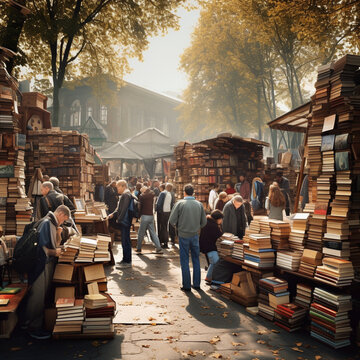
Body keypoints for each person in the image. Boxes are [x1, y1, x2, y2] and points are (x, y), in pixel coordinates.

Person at [24, 205, 71, 340]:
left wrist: (58, 233)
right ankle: (33, 327)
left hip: (44, 264)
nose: (62, 222)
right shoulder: (46, 223)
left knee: (41, 295)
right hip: (40, 265)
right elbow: (42, 249)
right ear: (60, 214)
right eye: (63, 220)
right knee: (37, 296)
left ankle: (32, 324)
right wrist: (54, 252)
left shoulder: (51, 223)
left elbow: (53, 244)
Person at [169, 184, 207, 292]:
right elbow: (204, 222)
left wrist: (179, 226)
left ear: (184, 192)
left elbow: (172, 220)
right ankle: (197, 284)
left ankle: (186, 285)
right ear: (193, 192)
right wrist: (196, 227)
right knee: (196, 259)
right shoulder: (199, 204)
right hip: (195, 235)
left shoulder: (180, 203)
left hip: (183, 235)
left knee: (184, 260)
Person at [109, 180, 135, 269]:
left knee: (125, 241)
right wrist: (113, 214)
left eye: (118, 187)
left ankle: (127, 261)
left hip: (125, 221)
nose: (117, 189)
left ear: (123, 186)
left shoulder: (126, 195)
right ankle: (125, 260)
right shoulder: (126, 194)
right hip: (126, 220)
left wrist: (119, 219)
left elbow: (123, 209)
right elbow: (119, 208)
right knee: (125, 240)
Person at [136, 186, 163, 254]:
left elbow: (140, 207)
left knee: (141, 233)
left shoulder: (142, 196)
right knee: (153, 233)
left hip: (144, 216)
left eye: (142, 191)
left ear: (143, 191)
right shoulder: (152, 195)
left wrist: (138, 216)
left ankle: (139, 248)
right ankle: (158, 247)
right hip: (151, 216)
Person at [199, 210, 224, 283]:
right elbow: (219, 235)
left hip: (205, 246)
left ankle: (208, 277)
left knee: (213, 262)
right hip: (210, 247)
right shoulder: (213, 225)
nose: (221, 221)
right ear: (218, 219)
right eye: (221, 219)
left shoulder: (207, 222)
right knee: (216, 263)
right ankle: (215, 280)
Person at [156, 183, 175, 248]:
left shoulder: (163, 193)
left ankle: (163, 242)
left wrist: (157, 210)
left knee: (162, 227)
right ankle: (165, 242)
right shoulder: (170, 194)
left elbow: (159, 203)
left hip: (162, 212)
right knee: (165, 227)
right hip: (167, 212)